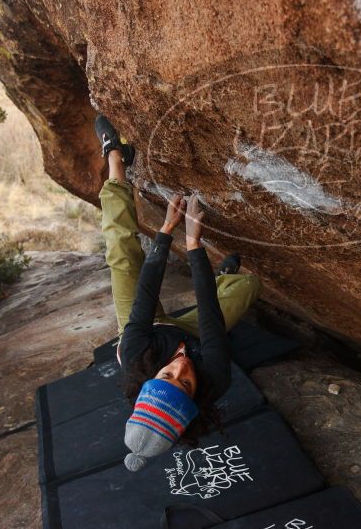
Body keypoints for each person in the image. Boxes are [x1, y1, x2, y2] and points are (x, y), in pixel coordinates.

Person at [95, 114, 262, 471]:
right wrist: (193, 243)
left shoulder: (137, 354)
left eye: (167, 376)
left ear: (149, 381)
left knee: (123, 252)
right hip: (189, 334)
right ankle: (224, 279)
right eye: (185, 383)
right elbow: (208, 315)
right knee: (248, 285)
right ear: (195, 397)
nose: (181, 368)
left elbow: (145, 292)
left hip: (146, 328)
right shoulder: (215, 379)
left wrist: (167, 231)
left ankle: (114, 157)